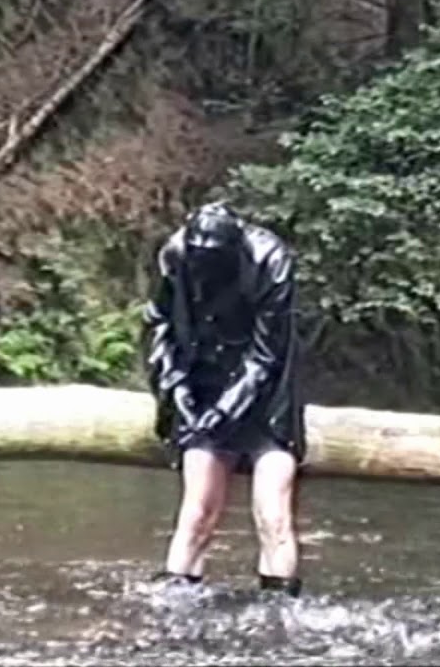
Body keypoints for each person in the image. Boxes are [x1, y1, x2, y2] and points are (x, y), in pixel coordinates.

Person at [142, 202, 306, 597]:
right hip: (202, 381)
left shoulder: (271, 260)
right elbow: (157, 324)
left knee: (273, 515)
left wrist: (228, 409)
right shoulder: (176, 252)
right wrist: (175, 388)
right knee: (197, 511)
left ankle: (279, 610)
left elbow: (268, 354)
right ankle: (174, 606)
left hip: (269, 396)